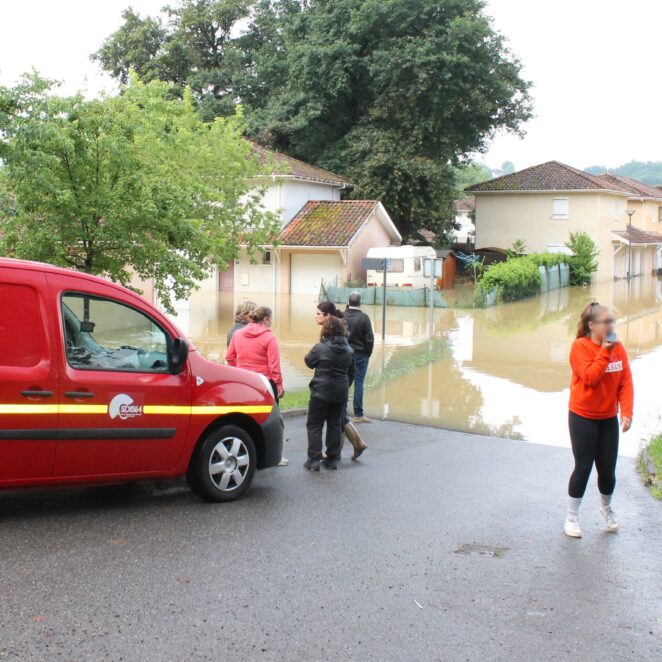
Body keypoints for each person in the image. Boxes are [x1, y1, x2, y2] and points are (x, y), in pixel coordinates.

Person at [564, 302, 634, 538]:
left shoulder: (619, 347)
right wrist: (605, 351)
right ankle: (571, 518)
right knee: (583, 467)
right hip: (582, 417)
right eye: (606, 322)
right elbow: (590, 378)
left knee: (607, 470)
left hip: (607, 418)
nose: (611, 326)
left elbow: (625, 380)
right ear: (592, 325)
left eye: (612, 321)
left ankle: (606, 508)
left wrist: (627, 412)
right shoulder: (579, 347)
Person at [225, 306, 288, 466]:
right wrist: (279, 384)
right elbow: (274, 366)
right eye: (271, 320)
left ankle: (241, 452)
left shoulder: (238, 334)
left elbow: (229, 356)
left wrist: (237, 371)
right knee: (272, 420)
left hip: (244, 381)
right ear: (266, 319)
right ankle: (277, 456)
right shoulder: (269, 337)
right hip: (264, 383)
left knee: (244, 418)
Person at [315, 302, 367, 460]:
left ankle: (339, 449)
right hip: (342, 376)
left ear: (328, 316)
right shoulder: (337, 326)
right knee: (339, 413)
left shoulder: (337, 328)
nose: (315, 316)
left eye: (318, 313)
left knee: (338, 414)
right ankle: (351, 445)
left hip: (338, 377)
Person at [303, 316, 355, 471]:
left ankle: (314, 460)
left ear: (326, 330)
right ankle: (332, 459)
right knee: (334, 424)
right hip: (340, 392)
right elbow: (352, 373)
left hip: (320, 391)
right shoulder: (350, 350)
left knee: (314, 424)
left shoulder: (320, 347)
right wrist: (344, 385)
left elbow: (308, 361)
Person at [343, 292, 374, 423]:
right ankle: (358, 414)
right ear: (360, 303)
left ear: (348, 302)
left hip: (344, 354)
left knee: (344, 382)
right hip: (361, 355)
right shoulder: (364, 318)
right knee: (359, 383)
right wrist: (368, 352)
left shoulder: (341, 316)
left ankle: (341, 411)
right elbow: (369, 339)